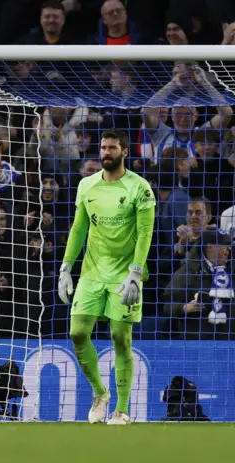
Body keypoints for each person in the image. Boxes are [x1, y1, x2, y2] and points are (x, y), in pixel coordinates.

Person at [57, 129, 156, 426]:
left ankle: (122, 410)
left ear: (125, 151)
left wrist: (136, 274)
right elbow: (78, 229)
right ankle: (100, 393)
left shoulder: (140, 188)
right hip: (92, 271)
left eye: (112, 148)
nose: (106, 153)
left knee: (120, 339)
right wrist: (65, 267)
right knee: (77, 333)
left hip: (126, 274)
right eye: (103, 148)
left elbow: (145, 233)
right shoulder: (87, 185)